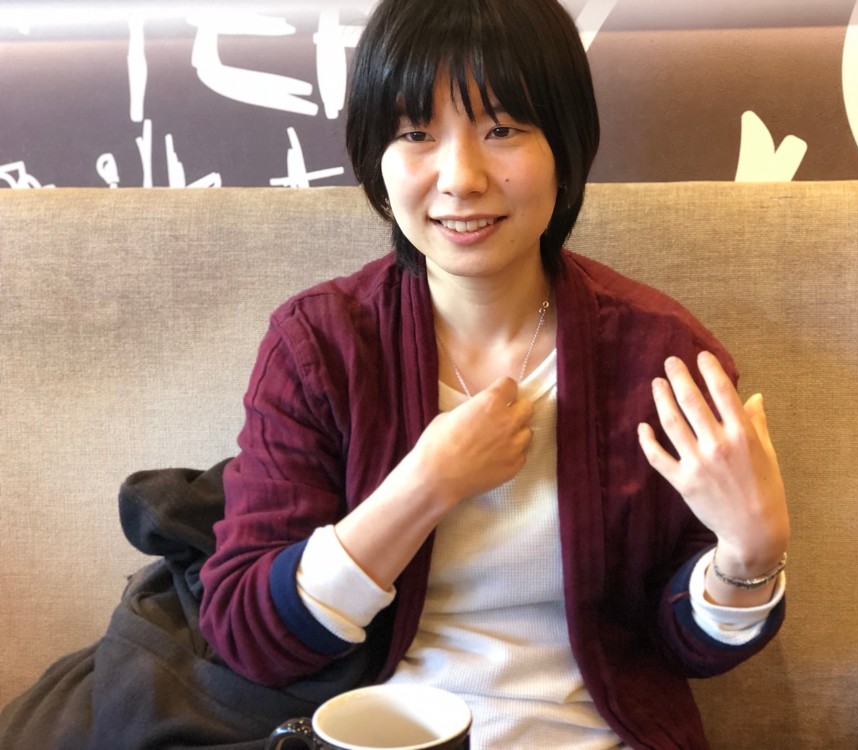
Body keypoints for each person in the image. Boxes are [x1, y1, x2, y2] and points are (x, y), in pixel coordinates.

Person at [199, 0, 790, 747]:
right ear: (377, 156)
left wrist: (749, 559)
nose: (461, 178)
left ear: (565, 146)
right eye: (416, 134)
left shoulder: (658, 357)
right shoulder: (321, 346)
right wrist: (425, 485)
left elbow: (682, 649)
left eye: (502, 129)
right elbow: (247, 632)